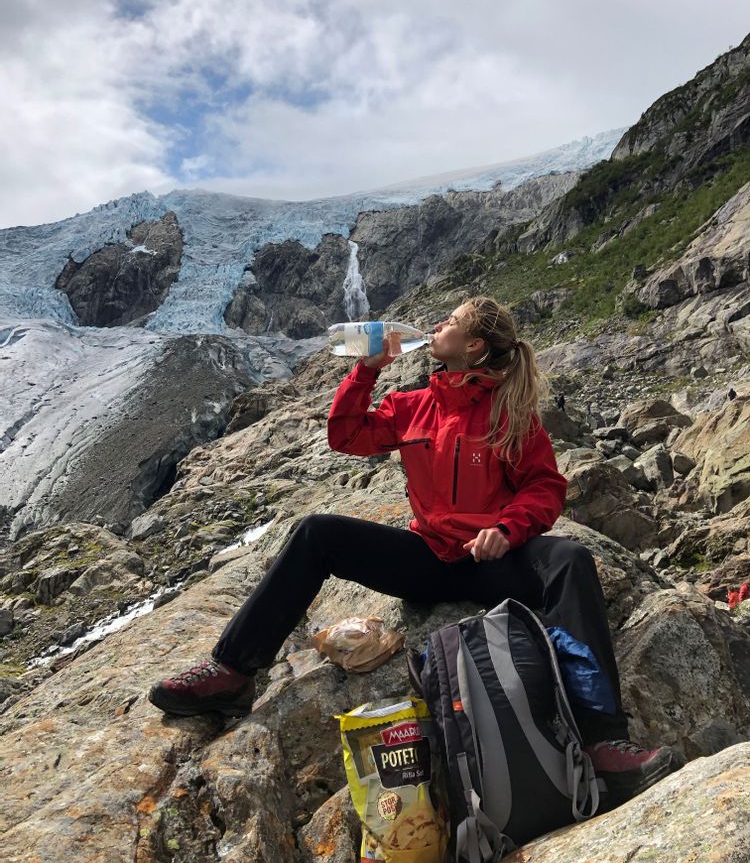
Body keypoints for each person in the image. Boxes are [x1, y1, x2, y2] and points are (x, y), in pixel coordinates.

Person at [148, 296, 678, 804]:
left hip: (489, 562)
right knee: (316, 533)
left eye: (450, 321)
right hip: (428, 559)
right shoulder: (413, 405)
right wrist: (366, 370)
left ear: (473, 347)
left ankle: (602, 739)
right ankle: (233, 672)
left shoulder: (509, 412)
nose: (437, 326)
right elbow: (346, 436)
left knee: (570, 559)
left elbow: (544, 487)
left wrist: (508, 530)